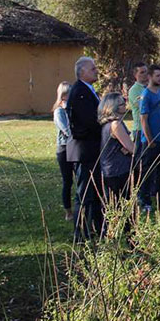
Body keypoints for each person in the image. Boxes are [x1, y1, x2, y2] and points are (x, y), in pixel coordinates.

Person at [66, 56, 103, 241]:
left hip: (93, 149)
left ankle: (95, 228)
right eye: (93, 69)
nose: (97, 71)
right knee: (85, 193)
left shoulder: (88, 90)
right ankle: (80, 233)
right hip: (84, 149)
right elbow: (89, 121)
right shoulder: (80, 91)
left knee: (94, 193)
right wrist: (106, 124)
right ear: (82, 72)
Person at [139, 64, 160, 210]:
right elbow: (143, 119)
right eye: (157, 76)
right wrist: (150, 140)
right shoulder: (146, 95)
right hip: (151, 142)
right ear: (150, 77)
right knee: (148, 172)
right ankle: (145, 201)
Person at [98, 93, 134, 204]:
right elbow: (132, 148)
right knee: (120, 205)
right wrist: (129, 147)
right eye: (121, 104)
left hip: (113, 168)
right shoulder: (115, 124)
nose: (125, 106)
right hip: (116, 170)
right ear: (113, 107)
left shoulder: (113, 123)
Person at [53, 82, 74, 221]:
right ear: (64, 95)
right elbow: (67, 131)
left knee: (81, 178)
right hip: (64, 149)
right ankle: (68, 211)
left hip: (75, 147)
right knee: (68, 181)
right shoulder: (59, 111)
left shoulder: (71, 108)